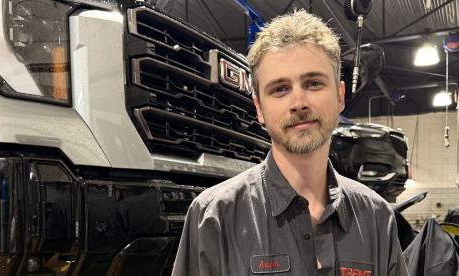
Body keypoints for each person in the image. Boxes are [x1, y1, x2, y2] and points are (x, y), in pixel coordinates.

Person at [172, 10, 408, 276]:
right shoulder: (213, 217)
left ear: (340, 96)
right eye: (280, 89)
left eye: (314, 83)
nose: (298, 103)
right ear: (259, 108)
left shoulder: (376, 218)